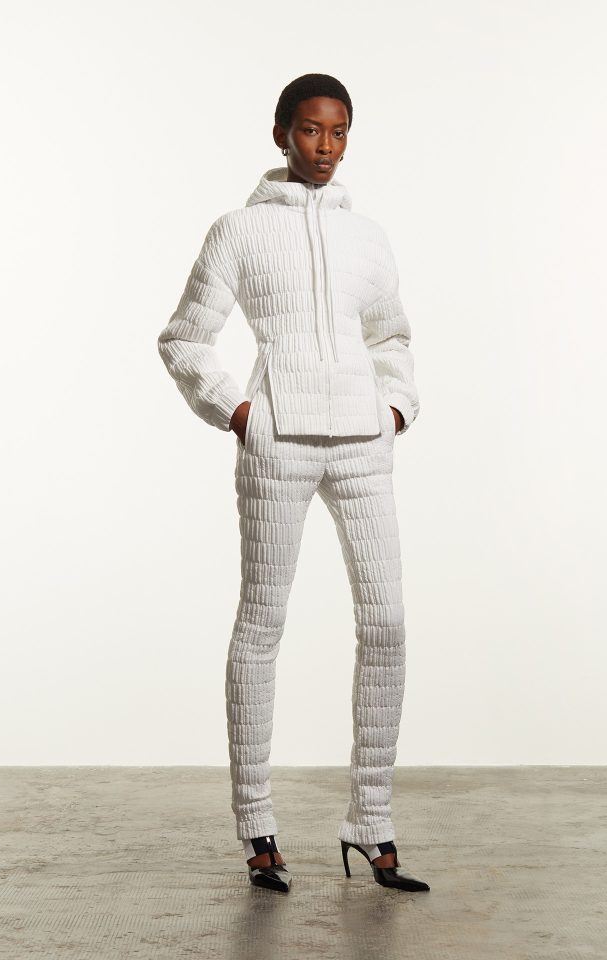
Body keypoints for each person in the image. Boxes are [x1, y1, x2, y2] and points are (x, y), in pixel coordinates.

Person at [157, 73, 430, 895]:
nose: (326, 147)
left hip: (362, 445)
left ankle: (371, 822)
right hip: (277, 444)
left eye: (340, 132)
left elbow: (392, 336)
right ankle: (257, 827)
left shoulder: (368, 237)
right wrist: (238, 411)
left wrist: (395, 409)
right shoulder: (238, 231)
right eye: (312, 130)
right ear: (281, 133)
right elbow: (184, 337)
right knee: (262, 625)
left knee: (386, 623)